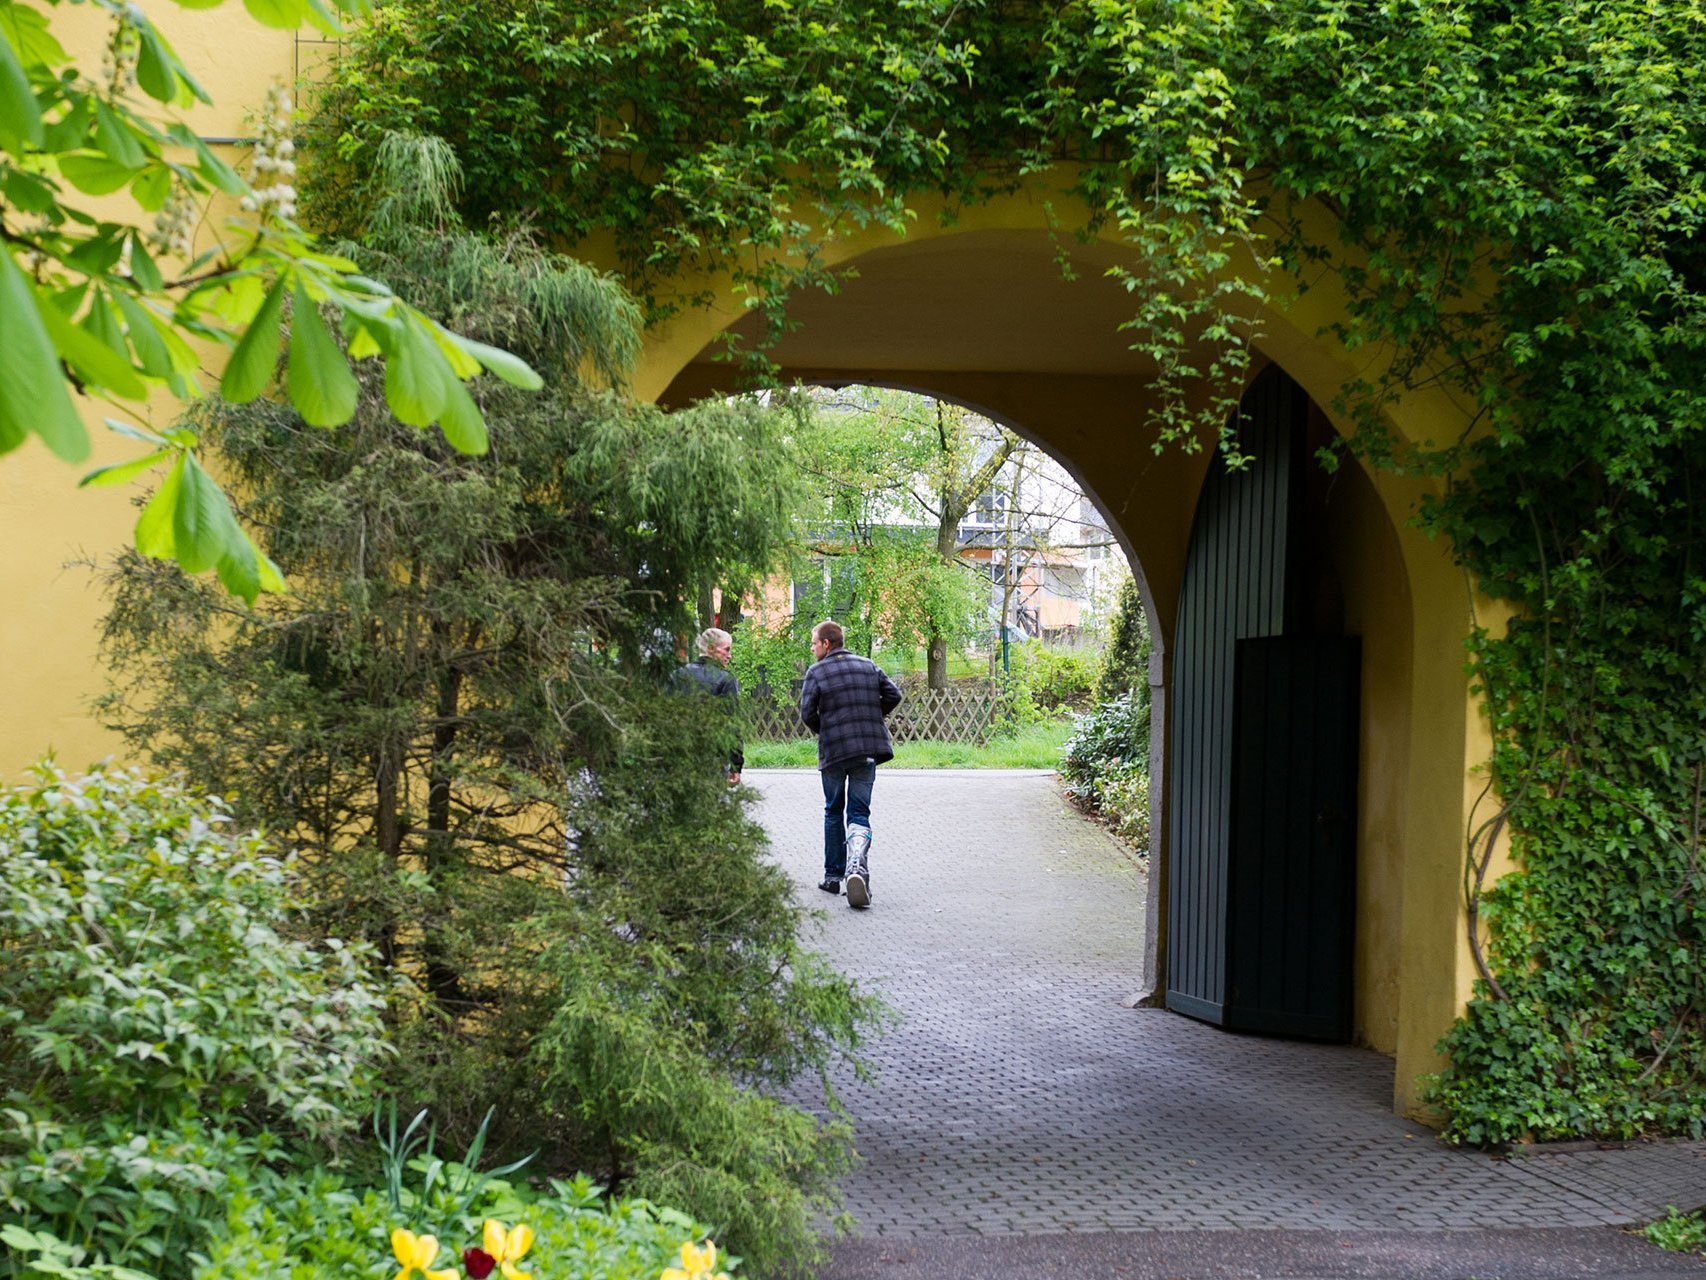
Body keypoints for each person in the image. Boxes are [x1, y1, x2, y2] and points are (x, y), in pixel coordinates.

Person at [798, 620, 902, 909]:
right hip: (867, 749)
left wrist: (827, 728)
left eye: (813, 643)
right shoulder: (868, 665)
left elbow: (807, 713)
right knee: (859, 812)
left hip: (833, 751)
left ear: (826, 644)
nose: (812, 647)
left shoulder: (816, 671)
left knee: (833, 810)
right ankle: (856, 867)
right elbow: (894, 694)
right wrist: (871, 715)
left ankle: (832, 876)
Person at [670, 626, 743, 786]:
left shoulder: (677, 675)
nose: (729, 655)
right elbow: (732, 726)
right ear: (711, 649)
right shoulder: (725, 680)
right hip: (712, 759)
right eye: (727, 649)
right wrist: (736, 765)